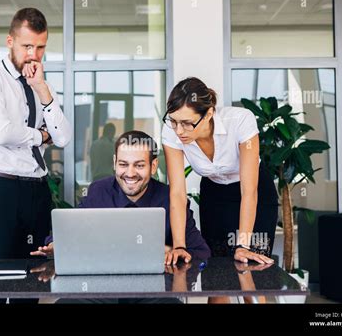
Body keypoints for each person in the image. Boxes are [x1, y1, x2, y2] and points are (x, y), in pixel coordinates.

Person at [31, 130, 211, 303]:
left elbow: (200, 253)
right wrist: (56, 245)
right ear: (115, 162)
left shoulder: (170, 199)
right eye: (123, 164)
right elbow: (68, 231)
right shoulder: (98, 192)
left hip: (155, 293)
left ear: (153, 166)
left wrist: (173, 252)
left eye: (139, 165)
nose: (130, 173)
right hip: (99, 291)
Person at [161, 77, 278, 303]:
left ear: (209, 114)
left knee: (250, 274)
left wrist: (243, 245)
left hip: (255, 193)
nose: (179, 130)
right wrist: (179, 246)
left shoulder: (240, 120)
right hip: (215, 194)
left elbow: (249, 191)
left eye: (187, 123)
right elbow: (177, 193)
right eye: (174, 121)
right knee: (216, 276)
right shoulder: (172, 130)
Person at [0, 7, 72, 261]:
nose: (33, 55)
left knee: (34, 277)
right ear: (10, 41)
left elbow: (64, 137)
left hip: (37, 191)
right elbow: (1, 132)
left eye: (40, 47)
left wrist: (42, 89)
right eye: (27, 46)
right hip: (1, 189)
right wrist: (40, 135)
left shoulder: (41, 84)